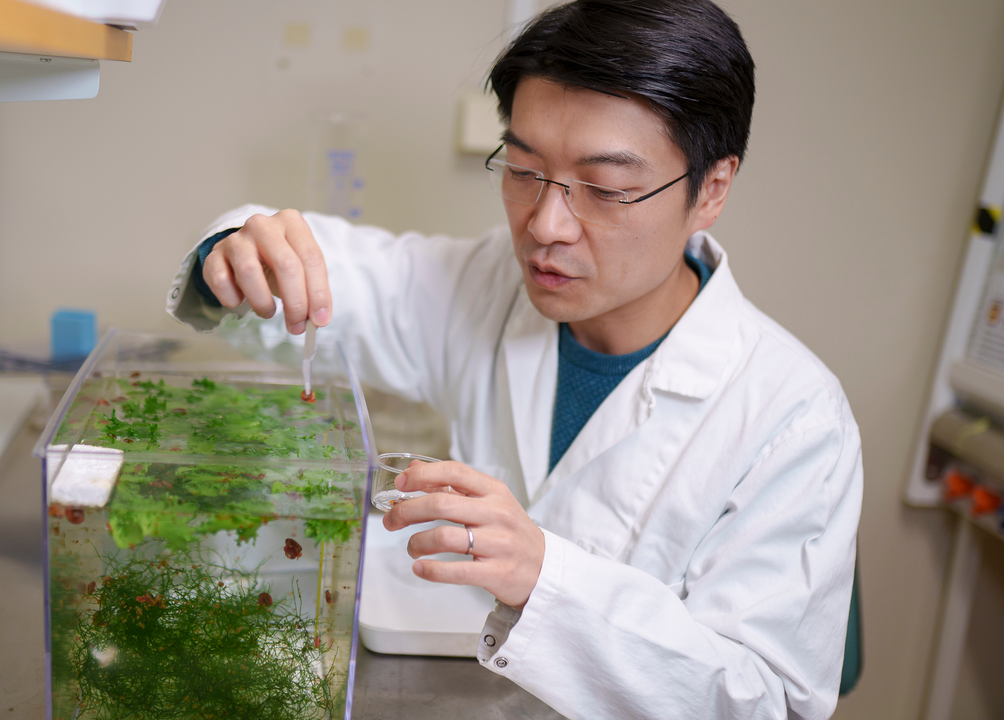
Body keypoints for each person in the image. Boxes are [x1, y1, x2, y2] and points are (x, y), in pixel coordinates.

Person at [166, 1, 863, 717]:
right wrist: (239, 248)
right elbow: (311, 272)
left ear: (711, 188)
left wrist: (544, 577)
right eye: (524, 168)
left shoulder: (794, 418)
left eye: (606, 188)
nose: (545, 226)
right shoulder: (488, 284)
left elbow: (767, 700)